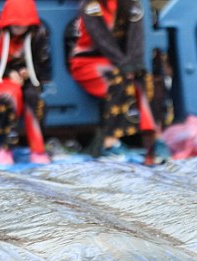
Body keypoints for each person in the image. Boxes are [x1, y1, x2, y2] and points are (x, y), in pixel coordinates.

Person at [68, 0, 168, 164]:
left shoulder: (132, 4)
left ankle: (153, 141)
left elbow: (137, 38)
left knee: (144, 79)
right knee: (118, 79)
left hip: (121, 63)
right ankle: (109, 141)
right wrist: (124, 66)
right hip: (89, 63)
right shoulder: (90, 5)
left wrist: (134, 66)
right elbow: (102, 39)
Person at [0, 0, 50, 165]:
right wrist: (8, 73)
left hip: (28, 78)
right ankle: (6, 147)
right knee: (10, 96)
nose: (19, 28)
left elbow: (43, 65)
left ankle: (38, 150)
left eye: (23, 25)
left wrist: (27, 72)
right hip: (0, 77)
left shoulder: (38, 33)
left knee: (34, 98)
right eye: (15, 24)